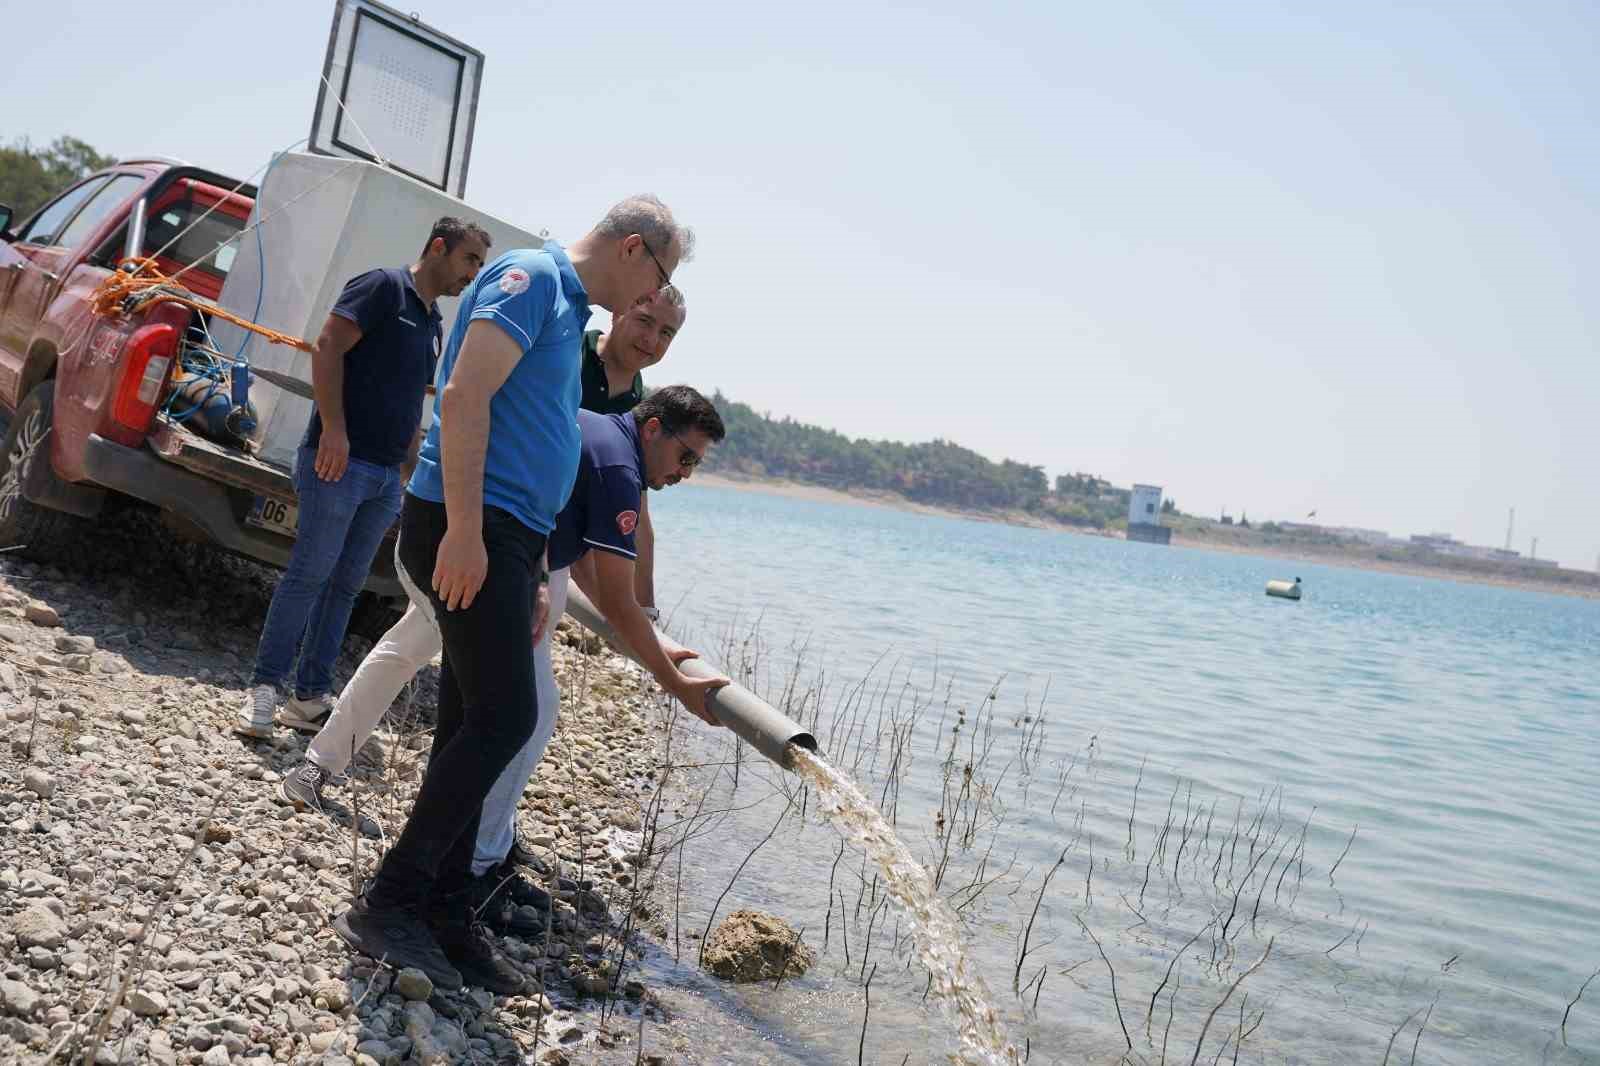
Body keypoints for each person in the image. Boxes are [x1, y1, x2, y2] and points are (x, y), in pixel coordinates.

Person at [332, 196, 718, 996]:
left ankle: (443, 908)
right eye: (660, 275)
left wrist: (533, 561)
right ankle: (392, 900)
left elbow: (526, 424)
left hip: (512, 535)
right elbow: (466, 397)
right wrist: (469, 534)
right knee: (507, 717)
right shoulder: (531, 278)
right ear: (635, 249)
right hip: (472, 522)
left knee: (472, 718)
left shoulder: (566, 305)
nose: (653, 297)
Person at [284, 387, 727, 941]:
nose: (686, 473)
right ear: (655, 428)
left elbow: (589, 566)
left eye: (697, 466)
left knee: (433, 665)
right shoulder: (620, 468)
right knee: (522, 713)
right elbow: (614, 595)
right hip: (480, 561)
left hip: (470, 548)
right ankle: (469, 863)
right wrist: (676, 684)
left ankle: (364, 800)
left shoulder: (602, 433)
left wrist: (656, 646)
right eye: (687, 457)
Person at [281, 285, 687, 795]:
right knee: (421, 643)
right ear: (622, 308)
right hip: (487, 528)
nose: (651, 338)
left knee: (497, 696)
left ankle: (464, 818)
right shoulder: (563, 348)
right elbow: (482, 412)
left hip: (548, 556)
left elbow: (633, 512)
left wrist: (644, 613)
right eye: (645, 319)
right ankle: (323, 765)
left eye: (667, 332)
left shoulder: (640, 404)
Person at [234, 218, 491, 739]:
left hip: (385, 478)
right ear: (438, 247)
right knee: (308, 575)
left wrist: (412, 466)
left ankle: (308, 697)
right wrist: (333, 430)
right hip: (338, 463)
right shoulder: (381, 287)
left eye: (480, 266)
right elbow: (328, 348)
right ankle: (263, 690)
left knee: (346, 586)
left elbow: (408, 398)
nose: (473, 275)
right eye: (469, 261)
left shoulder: (433, 319)